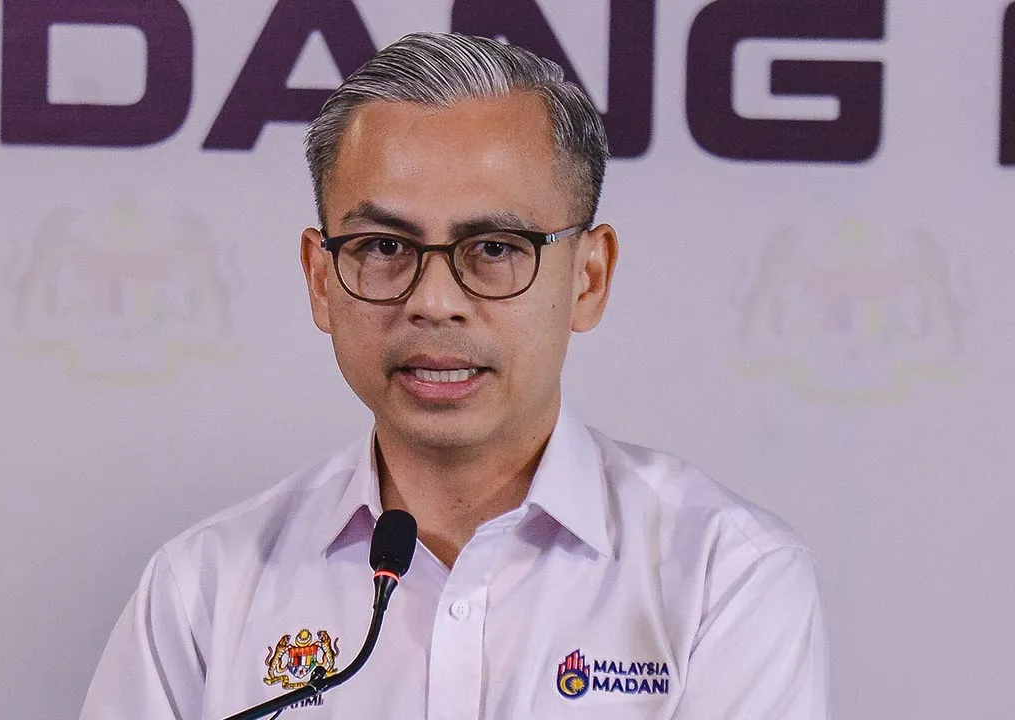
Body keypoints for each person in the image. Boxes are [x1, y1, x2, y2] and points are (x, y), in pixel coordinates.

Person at [80, 32, 828, 719]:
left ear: (589, 279)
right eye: (381, 246)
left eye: (496, 249)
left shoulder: (722, 574)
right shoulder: (202, 591)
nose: (434, 303)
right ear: (319, 278)